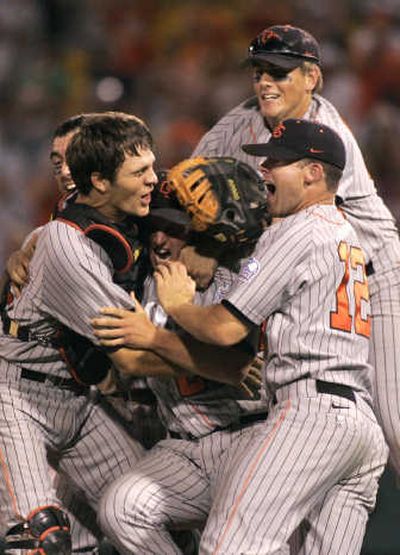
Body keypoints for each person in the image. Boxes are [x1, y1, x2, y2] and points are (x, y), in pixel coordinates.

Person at [136, 120, 387, 554]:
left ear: (312, 172)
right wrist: (215, 250)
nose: (265, 170)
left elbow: (224, 326)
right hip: (362, 428)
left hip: (310, 412)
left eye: (278, 161)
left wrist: (177, 305)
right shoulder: (344, 231)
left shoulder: (296, 230)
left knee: (227, 546)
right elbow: (253, 272)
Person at [192, 24, 400, 478]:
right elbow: (182, 185)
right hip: (315, 276)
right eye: (260, 71)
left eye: (281, 72)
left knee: (395, 423)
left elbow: (299, 232)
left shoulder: (323, 137)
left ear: (312, 78)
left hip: (374, 279)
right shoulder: (238, 124)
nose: (266, 82)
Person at [0, 112, 167, 554]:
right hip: (19, 394)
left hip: (84, 399)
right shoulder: (63, 238)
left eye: (152, 166)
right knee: (41, 540)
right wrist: (222, 359)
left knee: (153, 520)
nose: (64, 170)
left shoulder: (132, 210)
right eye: (56, 161)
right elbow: (130, 353)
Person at [90, 156, 270, 555]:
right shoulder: (145, 278)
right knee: (122, 508)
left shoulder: (240, 277)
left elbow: (236, 367)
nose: (160, 240)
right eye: (154, 226)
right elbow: (129, 360)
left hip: (248, 437)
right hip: (183, 446)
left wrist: (153, 338)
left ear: (203, 233)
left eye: (175, 229)